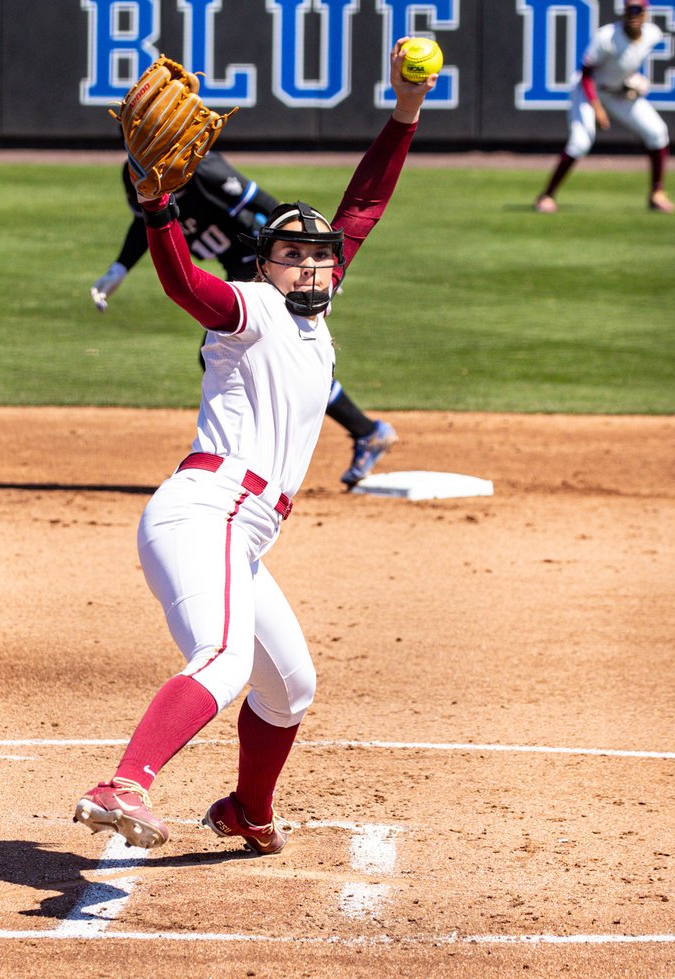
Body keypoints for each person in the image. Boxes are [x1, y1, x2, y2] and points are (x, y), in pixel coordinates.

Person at [73, 40, 436, 855]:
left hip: (244, 535)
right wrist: (161, 209)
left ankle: (246, 807)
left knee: (291, 684)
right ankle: (124, 781)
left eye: (320, 256)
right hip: (205, 513)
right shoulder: (250, 308)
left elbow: (364, 205)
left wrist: (406, 112)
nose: (309, 264)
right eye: (291, 255)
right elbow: (180, 285)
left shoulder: (315, 322)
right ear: (265, 266)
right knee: (227, 657)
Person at [91, 150, 398, 487]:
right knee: (259, 360)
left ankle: (363, 431)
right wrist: (120, 265)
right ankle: (366, 431)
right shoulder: (134, 172)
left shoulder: (204, 167)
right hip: (242, 265)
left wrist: (305, 263)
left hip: (259, 262)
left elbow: (264, 203)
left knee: (252, 357)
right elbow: (143, 219)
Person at [534, 0, 675, 214]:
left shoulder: (652, 34)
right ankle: (547, 195)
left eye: (639, 10)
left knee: (657, 132)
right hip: (587, 91)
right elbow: (587, 75)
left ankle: (657, 193)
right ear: (624, 12)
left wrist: (633, 81)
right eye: (630, 10)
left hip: (617, 92)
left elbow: (626, 63)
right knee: (581, 142)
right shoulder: (607, 37)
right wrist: (597, 108)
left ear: (646, 13)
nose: (634, 14)